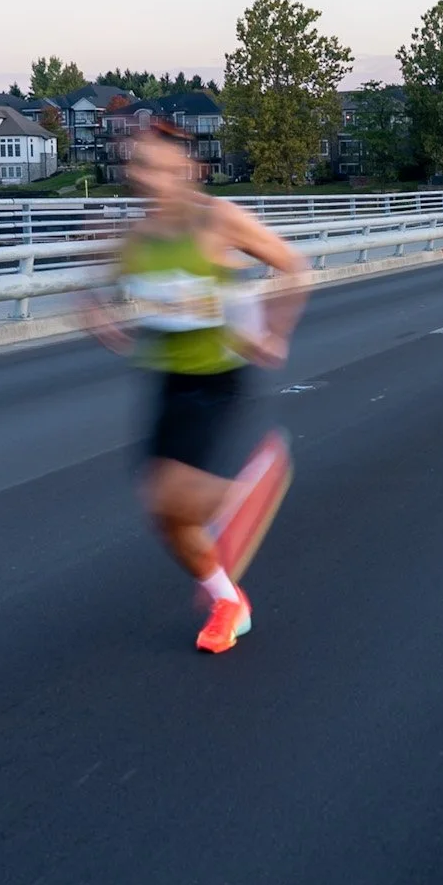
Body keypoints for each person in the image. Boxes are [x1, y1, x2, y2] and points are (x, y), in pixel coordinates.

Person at [87, 126, 308, 656]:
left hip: (218, 376)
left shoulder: (217, 219)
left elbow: (292, 267)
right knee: (164, 514)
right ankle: (228, 601)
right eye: (141, 168)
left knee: (169, 490)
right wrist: (101, 320)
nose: (151, 178)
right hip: (166, 376)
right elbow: (93, 291)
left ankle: (246, 495)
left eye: (163, 168)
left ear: (188, 170)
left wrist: (274, 332)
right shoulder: (136, 239)